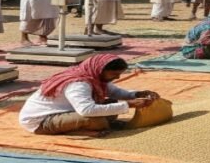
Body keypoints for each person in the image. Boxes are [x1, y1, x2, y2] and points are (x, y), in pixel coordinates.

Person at [18, 55, 159, 135]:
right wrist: (129, 104)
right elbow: (86, 110)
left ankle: (86, 127)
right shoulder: (79, 83)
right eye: (114, 74)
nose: (116, 77)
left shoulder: (94, 77)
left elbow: (114, 92)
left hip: (66, 112)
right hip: (41, 121)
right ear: (100, 70)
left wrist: (136, 94)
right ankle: (80, 132)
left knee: (111, 104)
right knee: (99, 121)